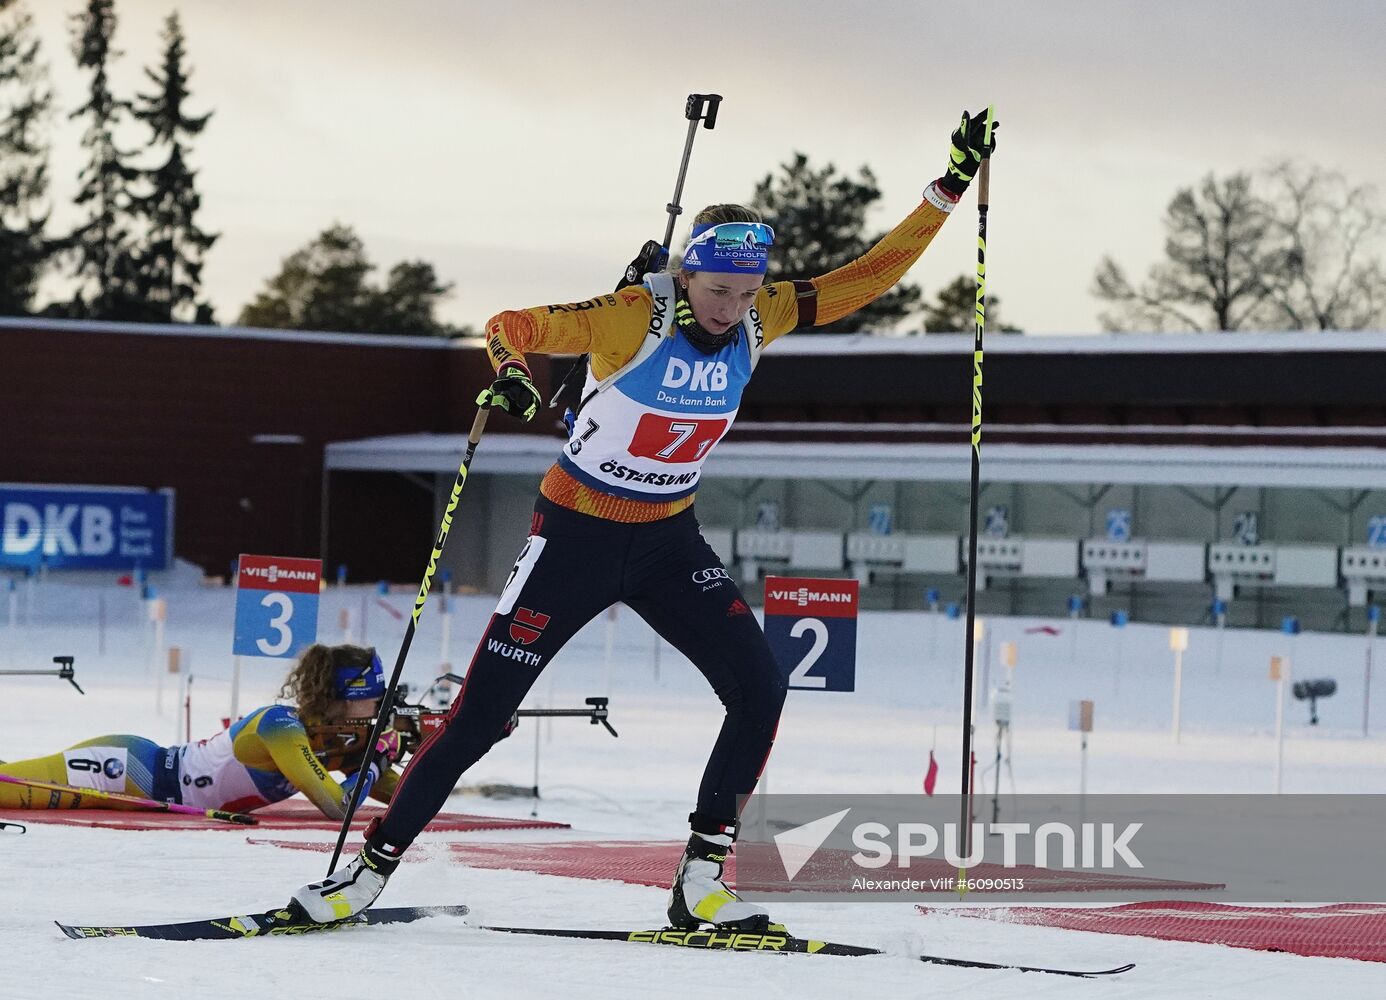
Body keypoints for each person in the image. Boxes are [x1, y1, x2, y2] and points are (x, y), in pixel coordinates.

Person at [291, 109, 998, 930]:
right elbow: (511, 326)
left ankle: (701, 875)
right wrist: (514, 373)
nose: (733, 310)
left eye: (743, 293)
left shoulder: (765, 313)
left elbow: (866, 276)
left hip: (668, 541)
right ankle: (367, 873)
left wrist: (946, 189)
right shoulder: (633, 313)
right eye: (717, 291)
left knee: (760, 686)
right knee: (480, 717)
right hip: (574, 537)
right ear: (685, 276)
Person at [0, 644, 403, 819]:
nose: (379, 710)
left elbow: (404, 796)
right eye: (374, 701)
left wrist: (393, 756)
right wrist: (376, 759)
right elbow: (339, 808)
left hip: (148, 787)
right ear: (346, 698)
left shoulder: (330, 739)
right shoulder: (281, 727)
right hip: (128, 771)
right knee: (7, 787)